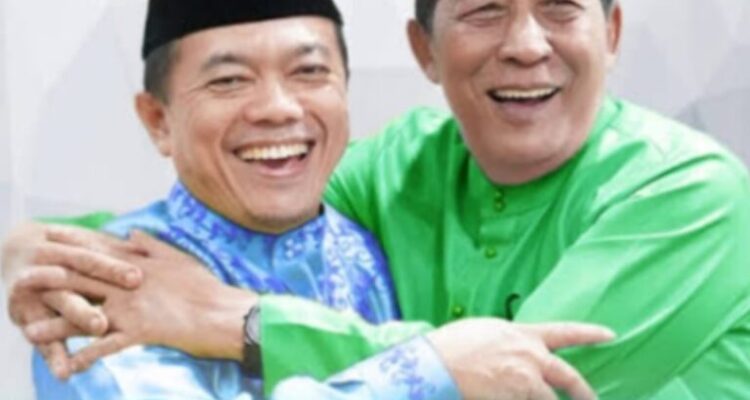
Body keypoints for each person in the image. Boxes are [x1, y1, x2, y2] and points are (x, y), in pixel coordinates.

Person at [7, 0, 750, 398]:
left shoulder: (691, 192)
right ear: (424, 50)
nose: (526, 44)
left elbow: (523, 381)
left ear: (611, 33)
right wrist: (33, 252)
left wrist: (236, 322)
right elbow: (236, 204)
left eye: (560, 7)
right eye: (485, 10)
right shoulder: (399, 168)